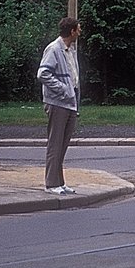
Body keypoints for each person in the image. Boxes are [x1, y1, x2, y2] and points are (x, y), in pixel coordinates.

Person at [37, 17, 82, 194]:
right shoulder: (54, 49)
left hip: (70, 103)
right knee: (55, 144)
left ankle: (59, 181)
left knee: (63, 144)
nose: (79, 32)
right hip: (57, 103)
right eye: (78, 29)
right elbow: (43, 74)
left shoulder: (70, 50)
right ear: (71, 31)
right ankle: (51, 183)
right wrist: (63, 89)